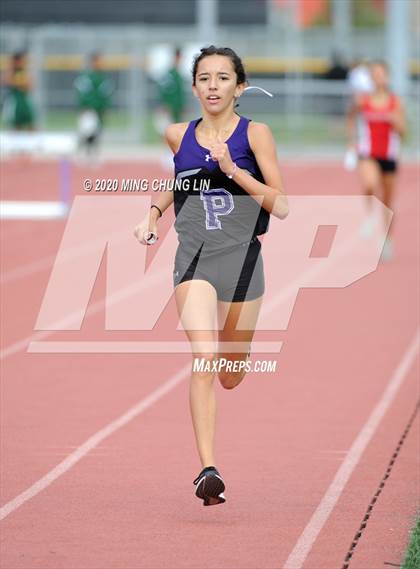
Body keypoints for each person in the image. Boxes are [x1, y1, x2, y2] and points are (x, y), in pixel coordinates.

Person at [134, 46, 288, 506]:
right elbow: (180, 180)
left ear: (239, 87)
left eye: (223, 78)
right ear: (195, 86)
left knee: (230, 374)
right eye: (205, 78)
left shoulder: (256, 134)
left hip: (244, 261)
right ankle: (207, 470)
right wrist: (152, 213)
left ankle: (233, 361)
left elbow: (280, 204)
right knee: (204, 357)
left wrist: (233, 170)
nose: (213, 85)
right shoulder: (177, 134)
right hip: (195, 259)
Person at [347, 60, 406, 261]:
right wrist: (351, 141)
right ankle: (370, 217)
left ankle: (387, 240)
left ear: (387, 77)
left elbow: (404, 132)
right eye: (375, 74)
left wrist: (395, 121)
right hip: (368, 152)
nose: (379, 78)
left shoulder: (395, 102)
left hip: (389, 155)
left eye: (382, 74)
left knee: (388, 202)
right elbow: (350, 117)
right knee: (370, 184)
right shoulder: (363, 100)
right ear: (371, 78)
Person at [74, 53, 114, 155]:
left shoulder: (103, 78)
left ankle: (92, 153)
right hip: (89, 110)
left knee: (97, 133)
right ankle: (83, 152)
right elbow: (82, 94)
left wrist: (105, 108)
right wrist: (84, 108)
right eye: (98, 61)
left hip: (99, 110)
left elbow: (106, 95)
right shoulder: (87, 77)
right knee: (87, 132)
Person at [2, 51, 36, 131]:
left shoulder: (24, 71)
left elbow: (30, 85)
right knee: (16, 126)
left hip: (24, 101)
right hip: (15, 102)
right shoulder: (11, 71)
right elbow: (5, 81)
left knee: (31, 124)